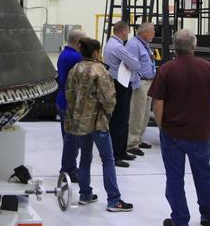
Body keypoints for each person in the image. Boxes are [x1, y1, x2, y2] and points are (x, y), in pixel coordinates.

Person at [149, 27, 210, 226]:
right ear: (194, 45)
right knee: (203, 174)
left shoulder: (166, 70)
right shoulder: (208, 68)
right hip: (199, 134)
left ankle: (180, 221)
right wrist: (208, 125)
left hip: (172, 134)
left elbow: (158, 103)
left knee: (174, 177)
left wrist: (163, 127)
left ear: (174, 47)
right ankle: (209, 213)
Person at [63, 38, 133, 212]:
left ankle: (85, 194)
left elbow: (69, 94)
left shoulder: (75, 68)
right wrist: (107, 113)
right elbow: (108, 98)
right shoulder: (99, 70)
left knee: (85, 157)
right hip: (98, 122)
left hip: (81, 122)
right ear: (95, 52)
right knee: (108, 159)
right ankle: (114, 200)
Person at [103, 20, 141, 166]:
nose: (129, 33)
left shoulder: (111, 44)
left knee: (122, 118)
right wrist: (133, 62)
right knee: (119, 119)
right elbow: (135, 64)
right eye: (128, 31)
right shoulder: (117, 46)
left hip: (119, 83)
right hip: (120, 84)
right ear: (123, 31)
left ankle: (121, 151)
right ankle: (116, 154)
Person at [55, 29, 86, 180]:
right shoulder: (76, 58)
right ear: (79, 42)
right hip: (71, 103)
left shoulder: (64, 54)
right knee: (72, 140)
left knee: (69, 138)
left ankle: (69, 167)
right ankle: (69, 170)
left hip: (63, 100)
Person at [126, 22, 158, 156]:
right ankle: (131, 143)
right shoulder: (134, 45)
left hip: (148, 83)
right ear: (144, 32)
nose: (154, 34)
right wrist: (136, 82)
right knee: (137, 113)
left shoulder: (144, 45)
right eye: (152, 31)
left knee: (145, 113)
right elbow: (130, 64)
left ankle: (138, 139)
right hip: (140, 83)